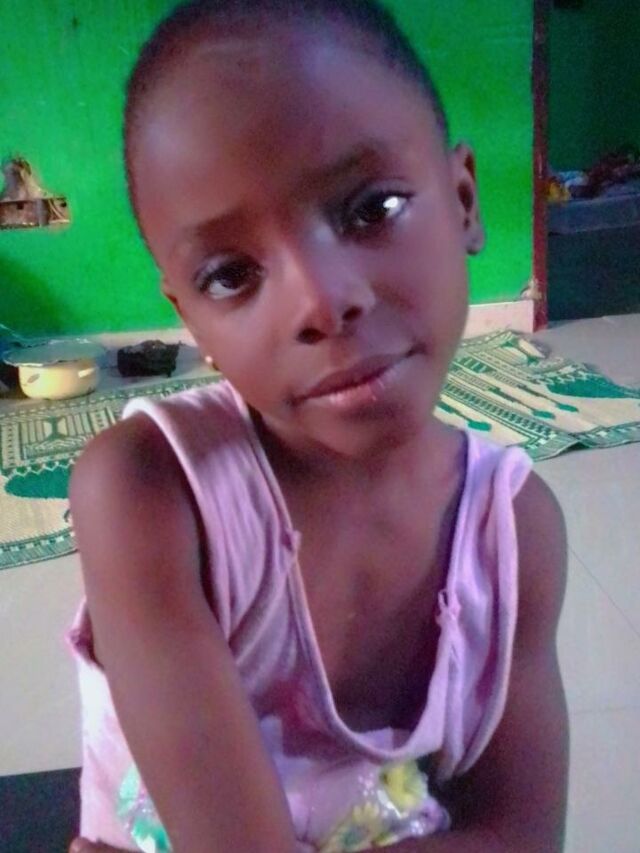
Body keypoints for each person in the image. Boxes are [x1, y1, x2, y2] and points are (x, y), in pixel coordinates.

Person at [67, 1, 569, 851]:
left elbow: (520, 832)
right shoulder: (154, 496)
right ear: (191, 318)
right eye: (231, 274)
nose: (321, 301)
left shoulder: (511, 533)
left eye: (371, 208)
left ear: (464, 199)